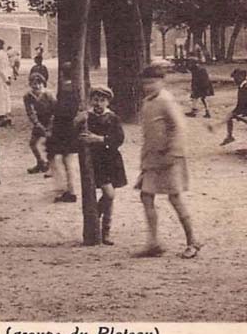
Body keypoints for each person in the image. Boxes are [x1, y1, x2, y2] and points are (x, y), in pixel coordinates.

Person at [135, 65, 202, 259]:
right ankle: (154, 243)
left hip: (169, 158)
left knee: (175, 198)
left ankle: (192, 241)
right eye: (145, 83)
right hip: (152, 159)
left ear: (162, 82)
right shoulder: (148, 101)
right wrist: (145, 158)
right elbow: (149, 133)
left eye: (153, 82)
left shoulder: (166, 100)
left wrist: (173, 152)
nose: (148, 86)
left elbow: (179, 127)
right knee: (146, 197)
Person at [76, 86, 125, 246]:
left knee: (109, 197)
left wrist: (99, 139)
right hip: (95, 161)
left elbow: (118, 139)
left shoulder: (112, 118)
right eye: (95, 100)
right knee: (109, 195)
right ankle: (96, 221)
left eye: (102, 100)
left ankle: (105, 230)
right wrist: (77, 122)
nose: (98, 103)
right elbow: (74, 135)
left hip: (111, 160)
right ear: (91, 100)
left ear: (107, 101)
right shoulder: (86, 117)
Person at [47, 62, 80, 202]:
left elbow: (63, 110)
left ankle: (65, 190)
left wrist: (53, 109)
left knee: (57, 159)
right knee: (67, 160)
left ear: (62, 74)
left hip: (62, 128)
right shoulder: (75, 87)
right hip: (69, 128)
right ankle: (70, 189)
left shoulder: (66, 87)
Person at [23, 72, 55, 175]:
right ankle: (40, 162)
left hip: (50, 120)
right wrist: (37, 124)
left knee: (50, 145)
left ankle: (51, 167)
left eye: (39, 83)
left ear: (43, 84)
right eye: (33, 83)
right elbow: (30, 112)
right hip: (39, 120)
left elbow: (55, 111)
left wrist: (50, 126)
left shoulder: (48, 94)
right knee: (33, 143)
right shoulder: (28, 96)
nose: (36, 86)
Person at [221, 68, 247, 145]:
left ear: (241, 77)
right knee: (229, 115)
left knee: (230, 116)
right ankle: (229, 136)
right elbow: (240, 103)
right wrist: (234, 111)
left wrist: (237, 112)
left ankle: (229, 136)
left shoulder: (246, 87)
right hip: (246, 109)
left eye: (236, 78)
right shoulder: (242, 86)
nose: (234, 80)